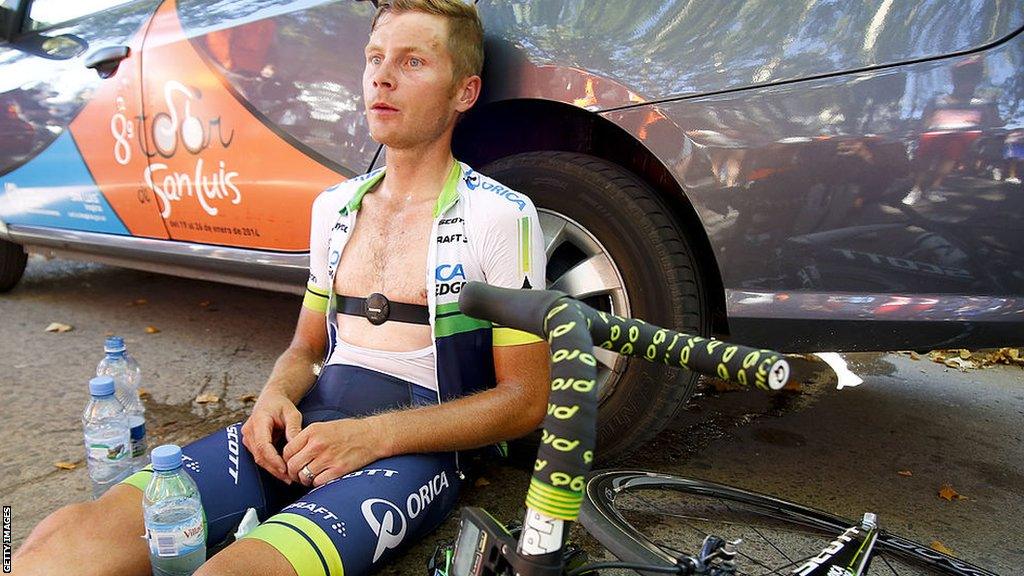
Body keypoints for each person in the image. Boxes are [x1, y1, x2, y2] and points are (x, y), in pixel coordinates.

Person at [12, 1, 550, 575]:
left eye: (414, 61)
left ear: (464, 93)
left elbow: (526, 400)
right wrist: (272, 397)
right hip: (306, 424)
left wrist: (376, 435)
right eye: (375, 59)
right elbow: (305, 350)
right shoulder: (334, 208)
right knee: (63, 539)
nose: (382, 78)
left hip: (414, 449)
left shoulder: (501, 215)